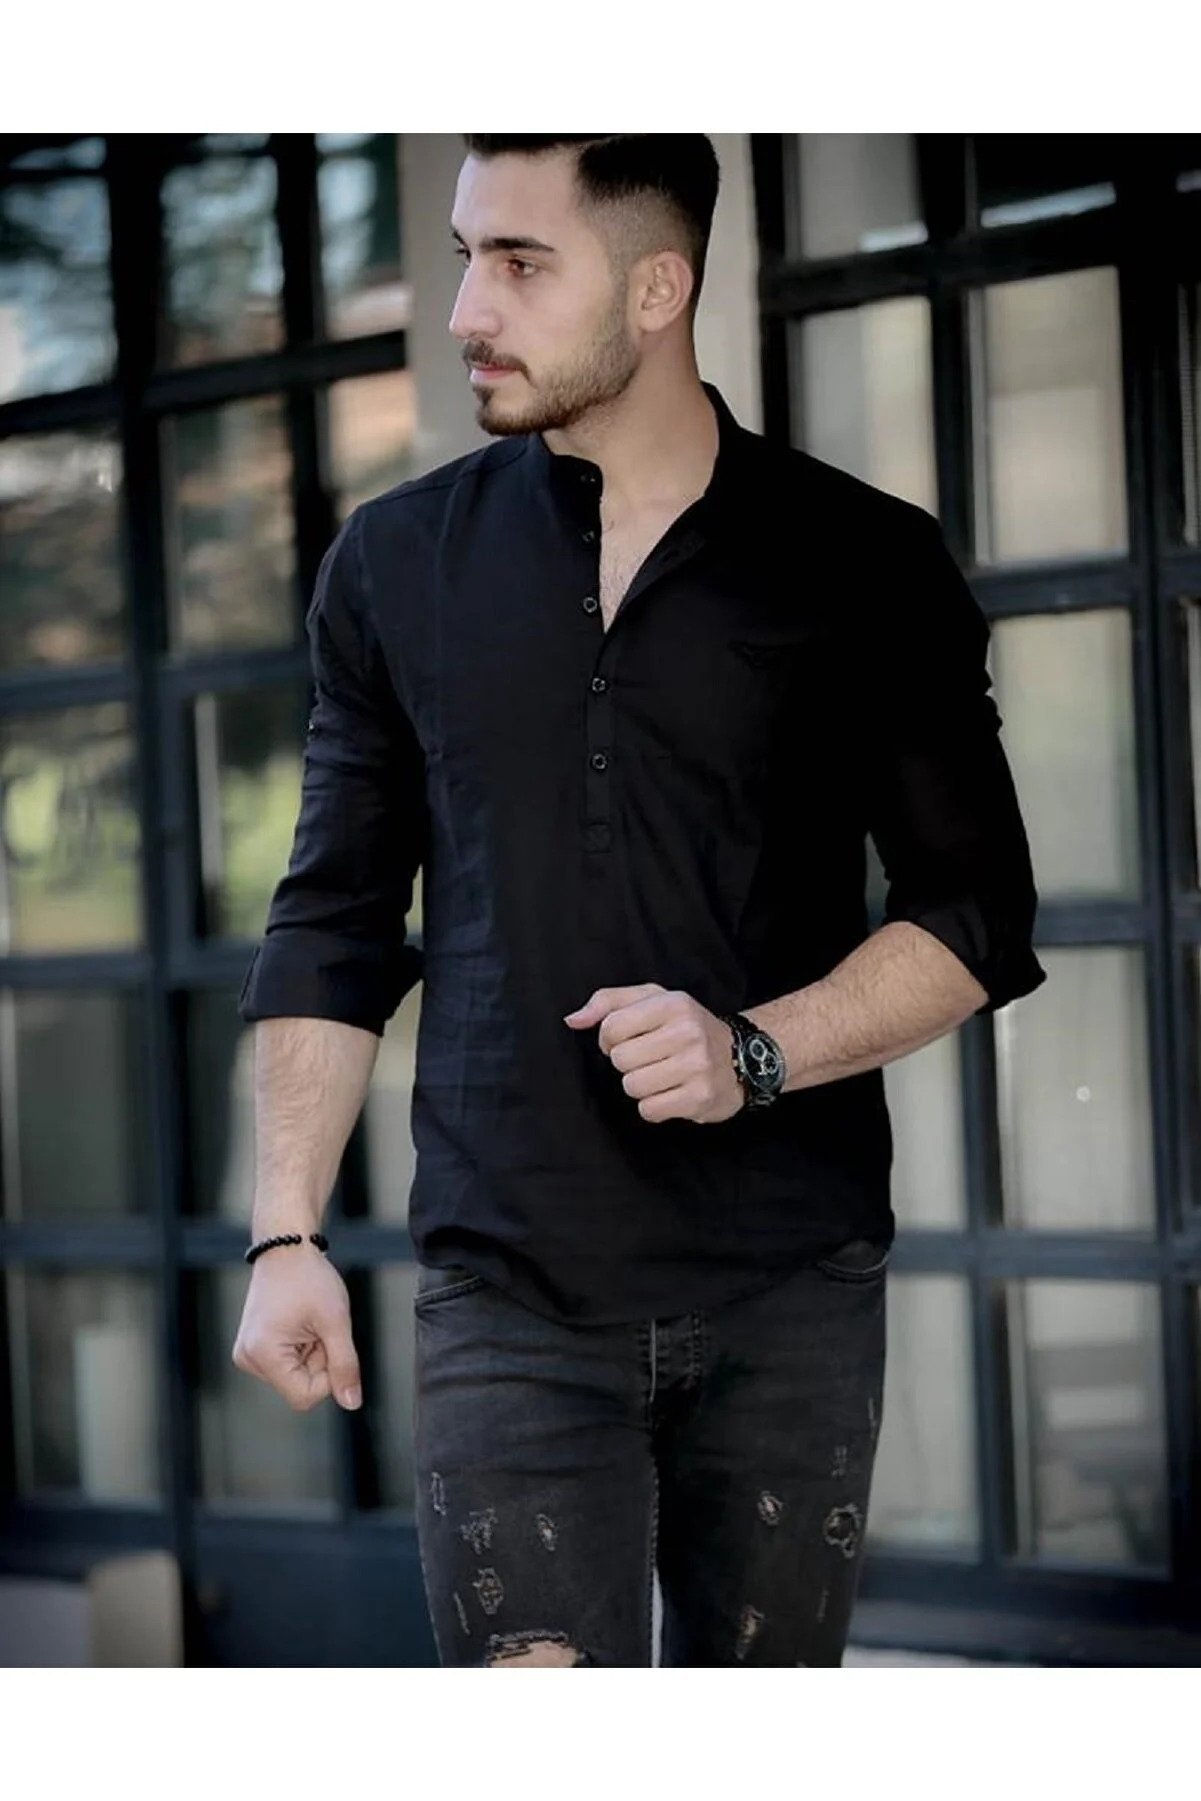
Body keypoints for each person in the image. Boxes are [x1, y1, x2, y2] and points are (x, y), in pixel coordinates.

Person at [231, 134, 1046, 1667]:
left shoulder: (859, 559)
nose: (468, 308)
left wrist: (754, 1050)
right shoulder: (394, 566)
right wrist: (285, 1233)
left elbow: (975, 912)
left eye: (520, 263)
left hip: (789, 1286)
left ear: (657, 288)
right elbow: (332, 918)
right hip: (505, 1285)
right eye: (466, 254)